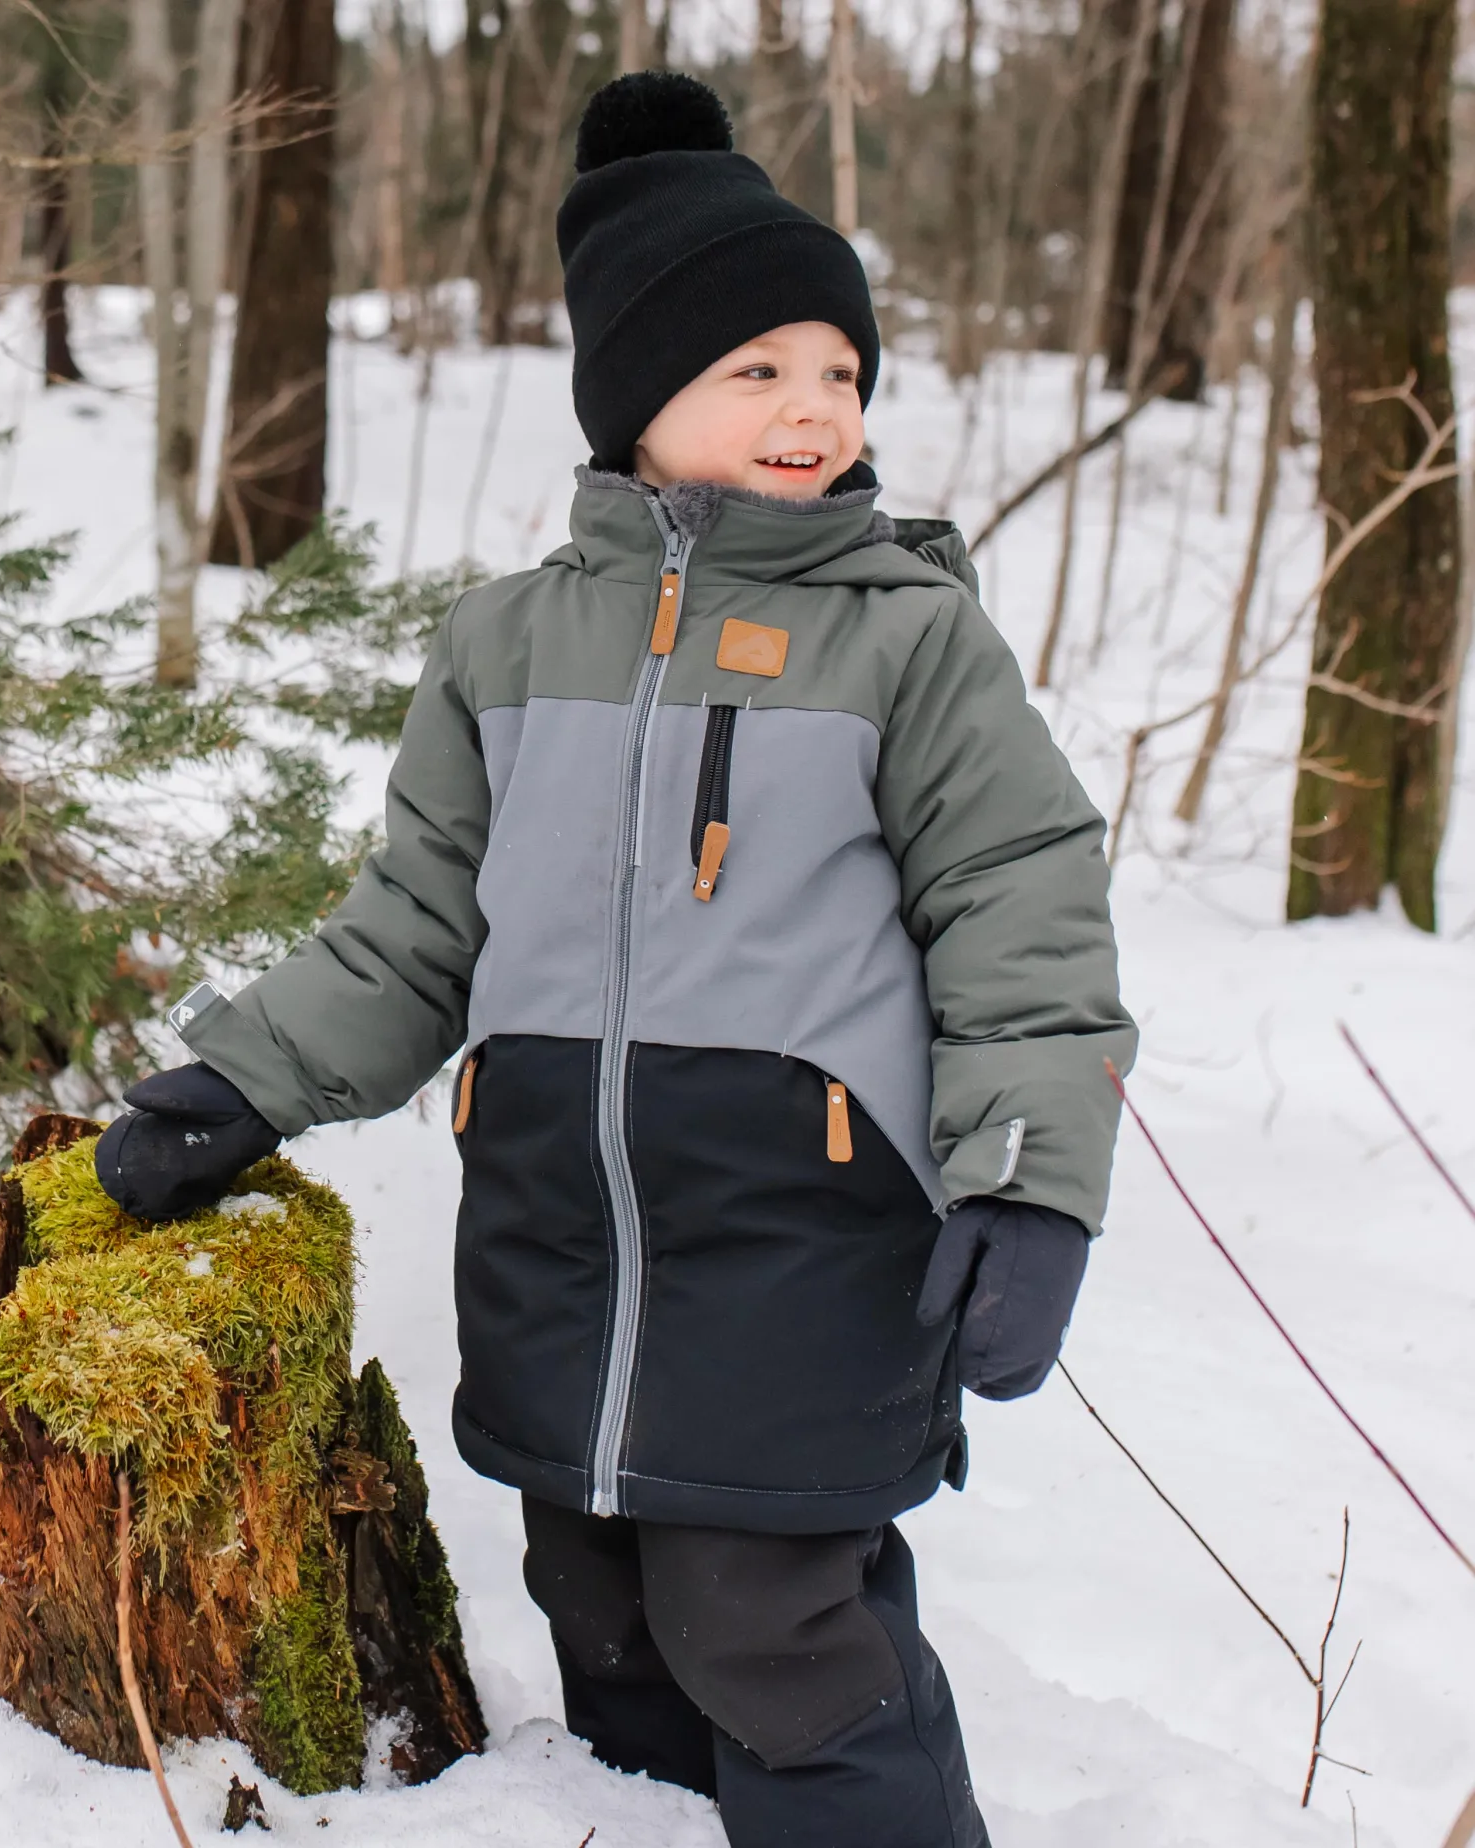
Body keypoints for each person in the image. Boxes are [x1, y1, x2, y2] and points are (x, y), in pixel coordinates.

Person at [98, 71, 1136, 1848]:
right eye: (759, 371)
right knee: (609, 1619)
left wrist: (1031, 1185)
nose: (814, 409)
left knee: (779, 1634)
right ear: (638, 394)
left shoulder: (910, 645)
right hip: (559, 1245)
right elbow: (416, 922)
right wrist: (245, 1077)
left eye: (841, 372)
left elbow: (1023, 909)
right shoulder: (506, 640)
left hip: (806, 1250)